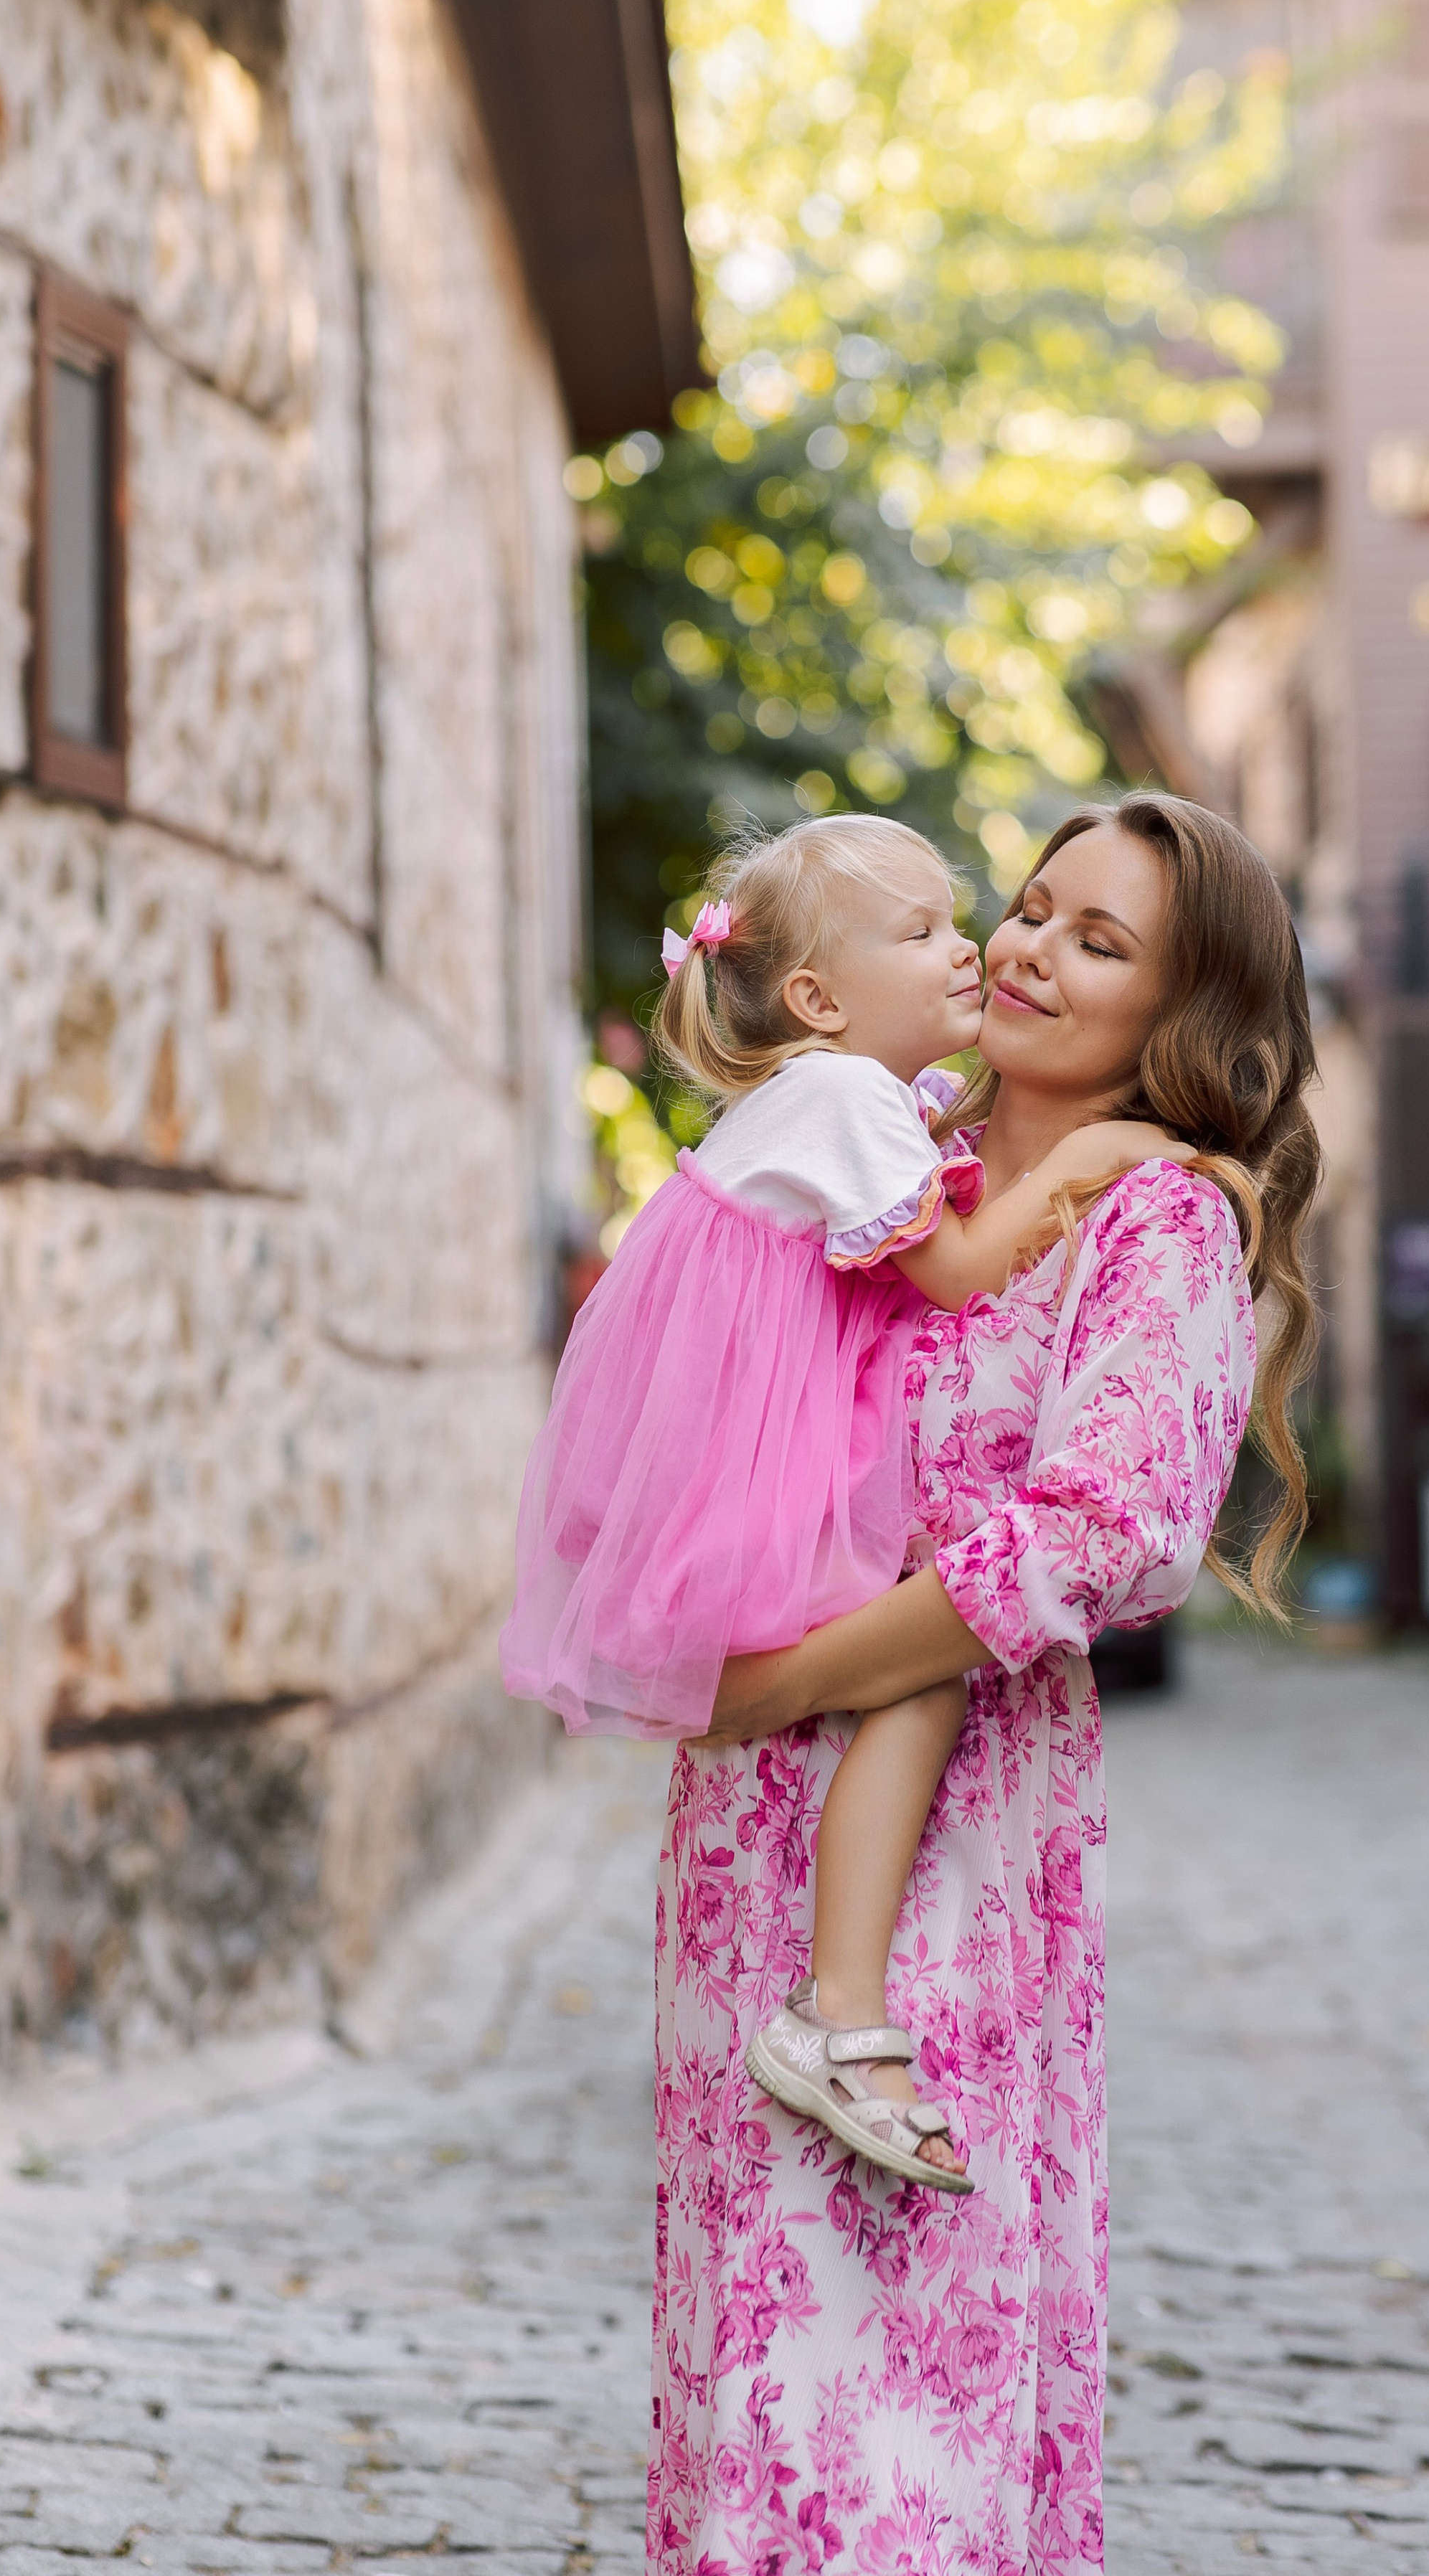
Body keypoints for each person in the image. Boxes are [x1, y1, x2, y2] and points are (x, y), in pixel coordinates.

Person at [651, 794, 1321, 2575]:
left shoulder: (1154, 1223)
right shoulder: (888, 1147)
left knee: (884, 2360)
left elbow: (1099, 1535)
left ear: (1178, 1016)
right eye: (1029, 909)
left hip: (943, 1857)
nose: (1025, 948)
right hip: (751, 1841)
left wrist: (778, 1676)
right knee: (750, 2334)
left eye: (1097, 941)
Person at [501, 813, 1175, 2192]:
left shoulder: (851, 1101)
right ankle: (842, 2011)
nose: (971, 949)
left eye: (954, 917)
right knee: (915, 1679)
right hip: (752, 1457)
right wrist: (1077, 1174)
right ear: (816, 998)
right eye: (924, 931)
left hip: (746, 1434)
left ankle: (836, 2003)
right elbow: (957, 1269)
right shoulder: (853, 1102)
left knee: (898, 1671)